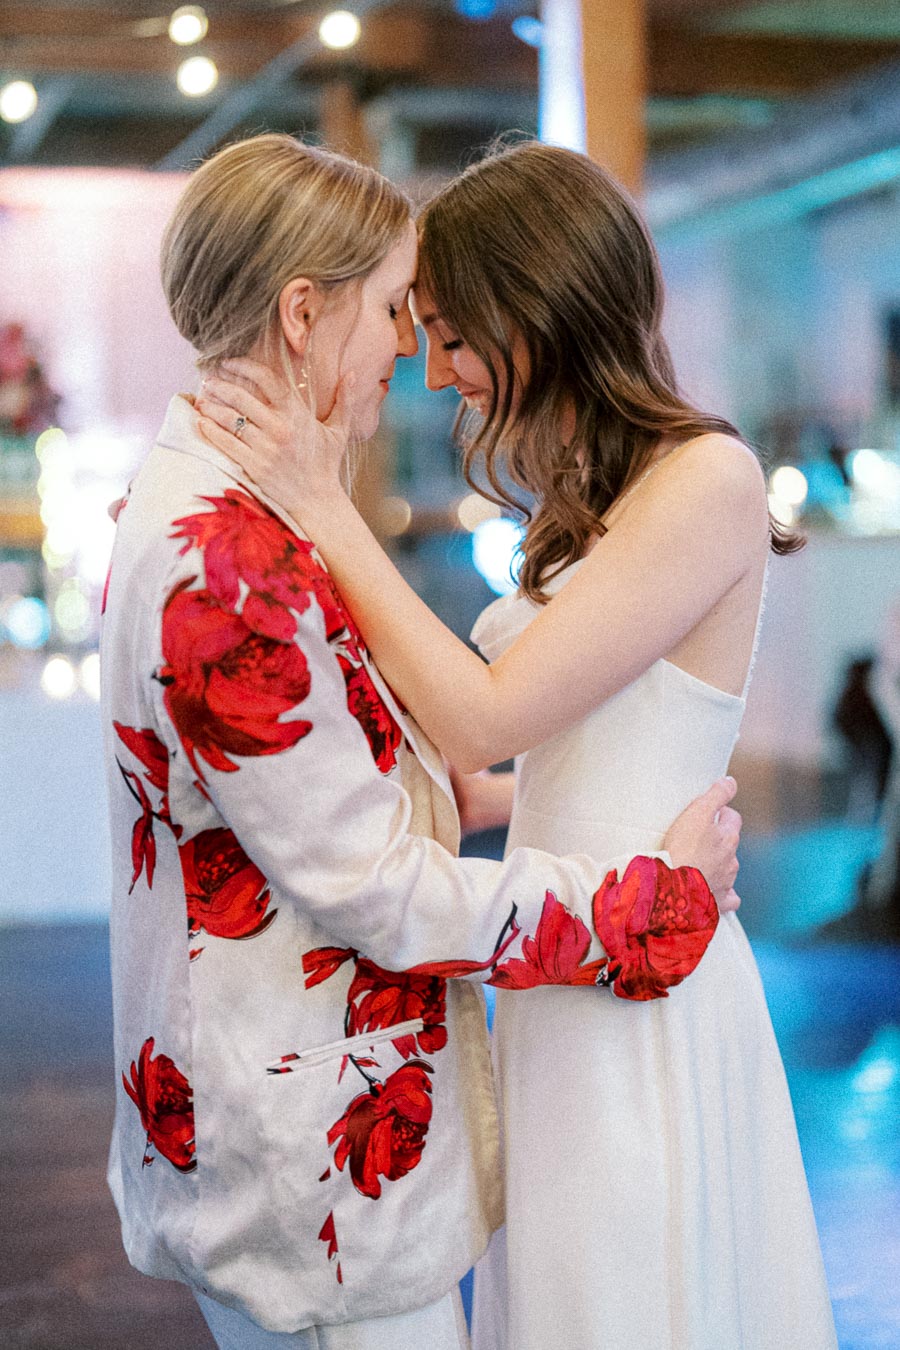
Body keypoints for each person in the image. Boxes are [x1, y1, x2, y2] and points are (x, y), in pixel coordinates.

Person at [101, 134, 741, 1350]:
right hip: (316, 1164)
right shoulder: (230, 559)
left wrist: (466, 797)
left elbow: (304, 802)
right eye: (399, 309)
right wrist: (637, 910)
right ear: (303, 315)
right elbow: (374, 888)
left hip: (303, 1125)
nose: (414, 353)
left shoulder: (215, 511)